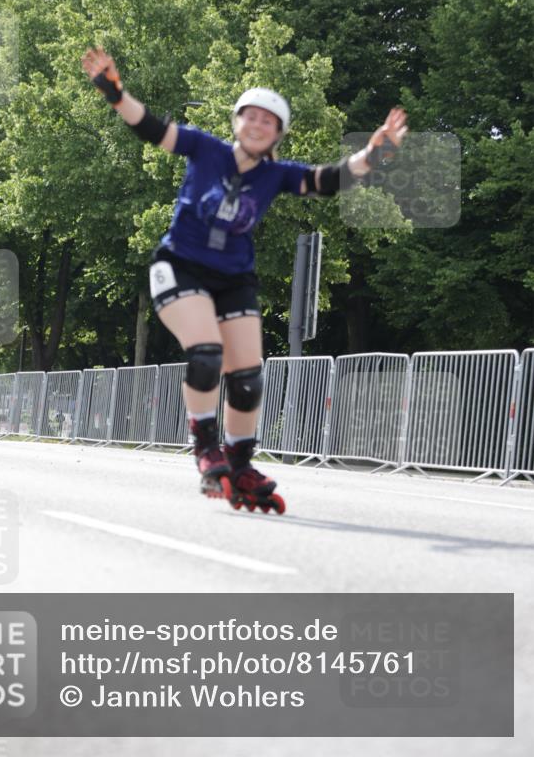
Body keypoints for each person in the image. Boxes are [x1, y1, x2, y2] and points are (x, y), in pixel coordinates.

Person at [81, 47, 408, 513]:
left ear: (277, 133)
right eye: (249, 117)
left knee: (249, 378)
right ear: (236, 122)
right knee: (207, 353)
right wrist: (114, 91)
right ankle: (205, 445)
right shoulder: (204, 148)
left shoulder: (276, 175)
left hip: (233, 278)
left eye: (267, 121)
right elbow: (151, 127)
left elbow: (330, 179)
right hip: (180, 266)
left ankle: (239, 461)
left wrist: (374, 154)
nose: (257, 125)